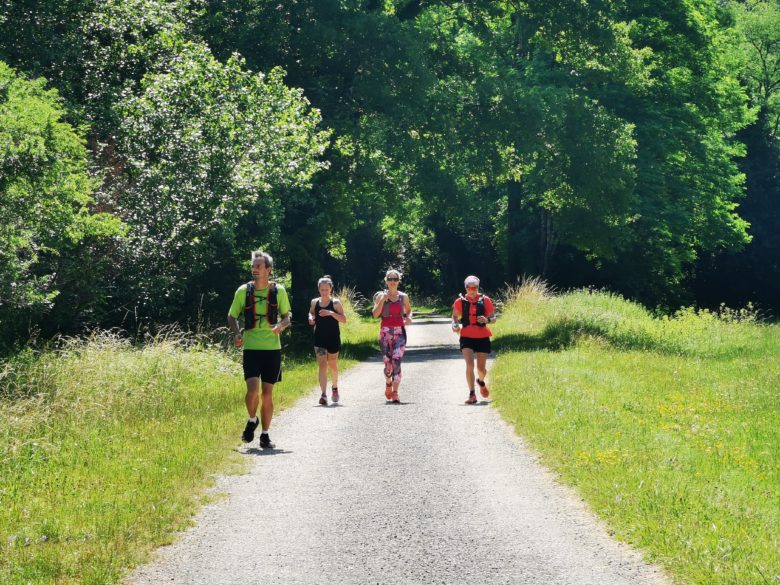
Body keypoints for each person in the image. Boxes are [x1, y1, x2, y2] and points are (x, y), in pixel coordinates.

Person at [227, 250, 291, 449]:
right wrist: (237, 333)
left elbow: (287, 317)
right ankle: (252, 419)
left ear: (268, 270)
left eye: (258, 266)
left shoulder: (278, 291)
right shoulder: (242, 291)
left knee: (266, 394)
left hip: (272, 349)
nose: (254, 270)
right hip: (252, 348)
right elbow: (232, 316)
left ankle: (265, 434)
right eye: (253, 266)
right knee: (252, 390)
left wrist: (280, 326)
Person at [452, 275, 496, 404]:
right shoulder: (459, 301)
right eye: (469, 288)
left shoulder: (485, 300)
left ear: (477, 288)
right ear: (466, 288)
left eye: (474, 287)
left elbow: (494, 318)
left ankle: (481, 381)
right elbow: (454, 317)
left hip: (482, 336)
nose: (472, 290)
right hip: (466, 335)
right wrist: (455, 325)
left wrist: (486, 319)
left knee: (481, 369)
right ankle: (472, 394)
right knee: (469, 365)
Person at [372, 269, 413, 403]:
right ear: (386, 281)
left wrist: (409, 318)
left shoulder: (403, 297)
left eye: (395, 279)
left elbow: (409, 311)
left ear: (399, 281)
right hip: (385, 333)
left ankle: (395, 392)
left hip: (399, 333)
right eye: (390, 279)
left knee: (397, 361)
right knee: (388, 365)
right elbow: (375, 314)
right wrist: (382, 301)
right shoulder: (380, 296)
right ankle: (388, 383)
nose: (392, 281)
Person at [308, 276, 347, 405]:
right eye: (322, 289)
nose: (324, 292)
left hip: (333, 338)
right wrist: (311, 318)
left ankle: (334, 388)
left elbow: (343, 319)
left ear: (331, 288)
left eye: (326, 289)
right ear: (318, 289)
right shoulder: (314, 302)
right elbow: (311, 313)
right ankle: (323, 395)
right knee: (322, 365)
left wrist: (331, 313)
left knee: (333, 364)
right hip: (319, 337)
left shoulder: (335, 303)